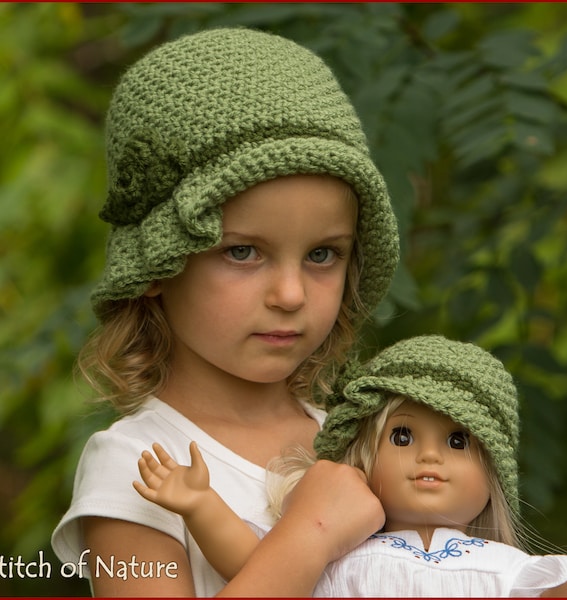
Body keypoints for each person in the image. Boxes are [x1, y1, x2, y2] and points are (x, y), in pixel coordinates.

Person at [51, 26, 400, 596]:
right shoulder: (136, 469)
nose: (290, 294)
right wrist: (309, 536)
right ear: (158, 266)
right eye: (242, 252)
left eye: (322, 254)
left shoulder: (359, 438)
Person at [134, 335, 567, 597]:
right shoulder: (339, 554)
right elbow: (252, 563)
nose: (430, 455)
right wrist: (200, 504)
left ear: (492, 477)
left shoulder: (505, 570)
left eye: (458, 441)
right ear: (363, 456)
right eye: (403, 436)